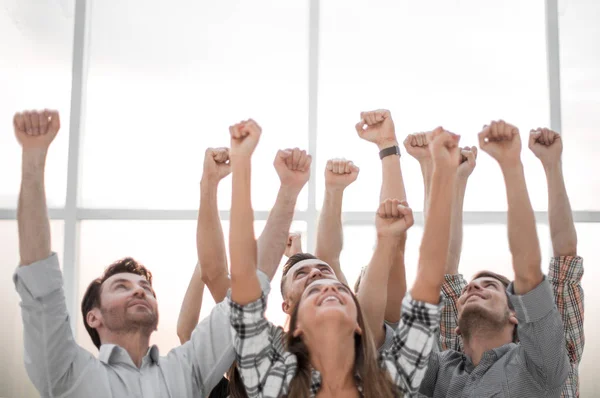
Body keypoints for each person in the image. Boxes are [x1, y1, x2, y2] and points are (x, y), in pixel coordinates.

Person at [11, 109, 270, 398]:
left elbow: (248, 291)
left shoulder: (186, 369)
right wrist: (33, 157)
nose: (139, 292)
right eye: (122, 286)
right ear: (93, 317)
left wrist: (225, 174)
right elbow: (40, 282)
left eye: (145, 288)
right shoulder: (68, 372)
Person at [227, 118, 460, 397]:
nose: (324, 283)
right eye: (312, 288)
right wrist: (241, 162)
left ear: (359, 322)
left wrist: (443, 172)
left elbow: (429, 280)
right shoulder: (271, 383)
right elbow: (244, 280)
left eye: (339, 288)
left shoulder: (391, 380)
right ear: (295, 324)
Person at [408, 126, 584, 397]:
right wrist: (450, 177)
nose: (472, 289)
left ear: (517, 314)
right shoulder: (447, 367)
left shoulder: (547, 359)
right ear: (456, 323)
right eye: (468, 290)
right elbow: (442, 264)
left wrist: (549, 165)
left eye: (490, 286)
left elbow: (561, 260)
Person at [177, 145, 313, 398]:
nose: (317, 276)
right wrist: (210, 183)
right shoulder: (268, 343)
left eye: (325, 275)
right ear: (286, 305)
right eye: (304, 275)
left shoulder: (363, 348)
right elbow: (216, 274)